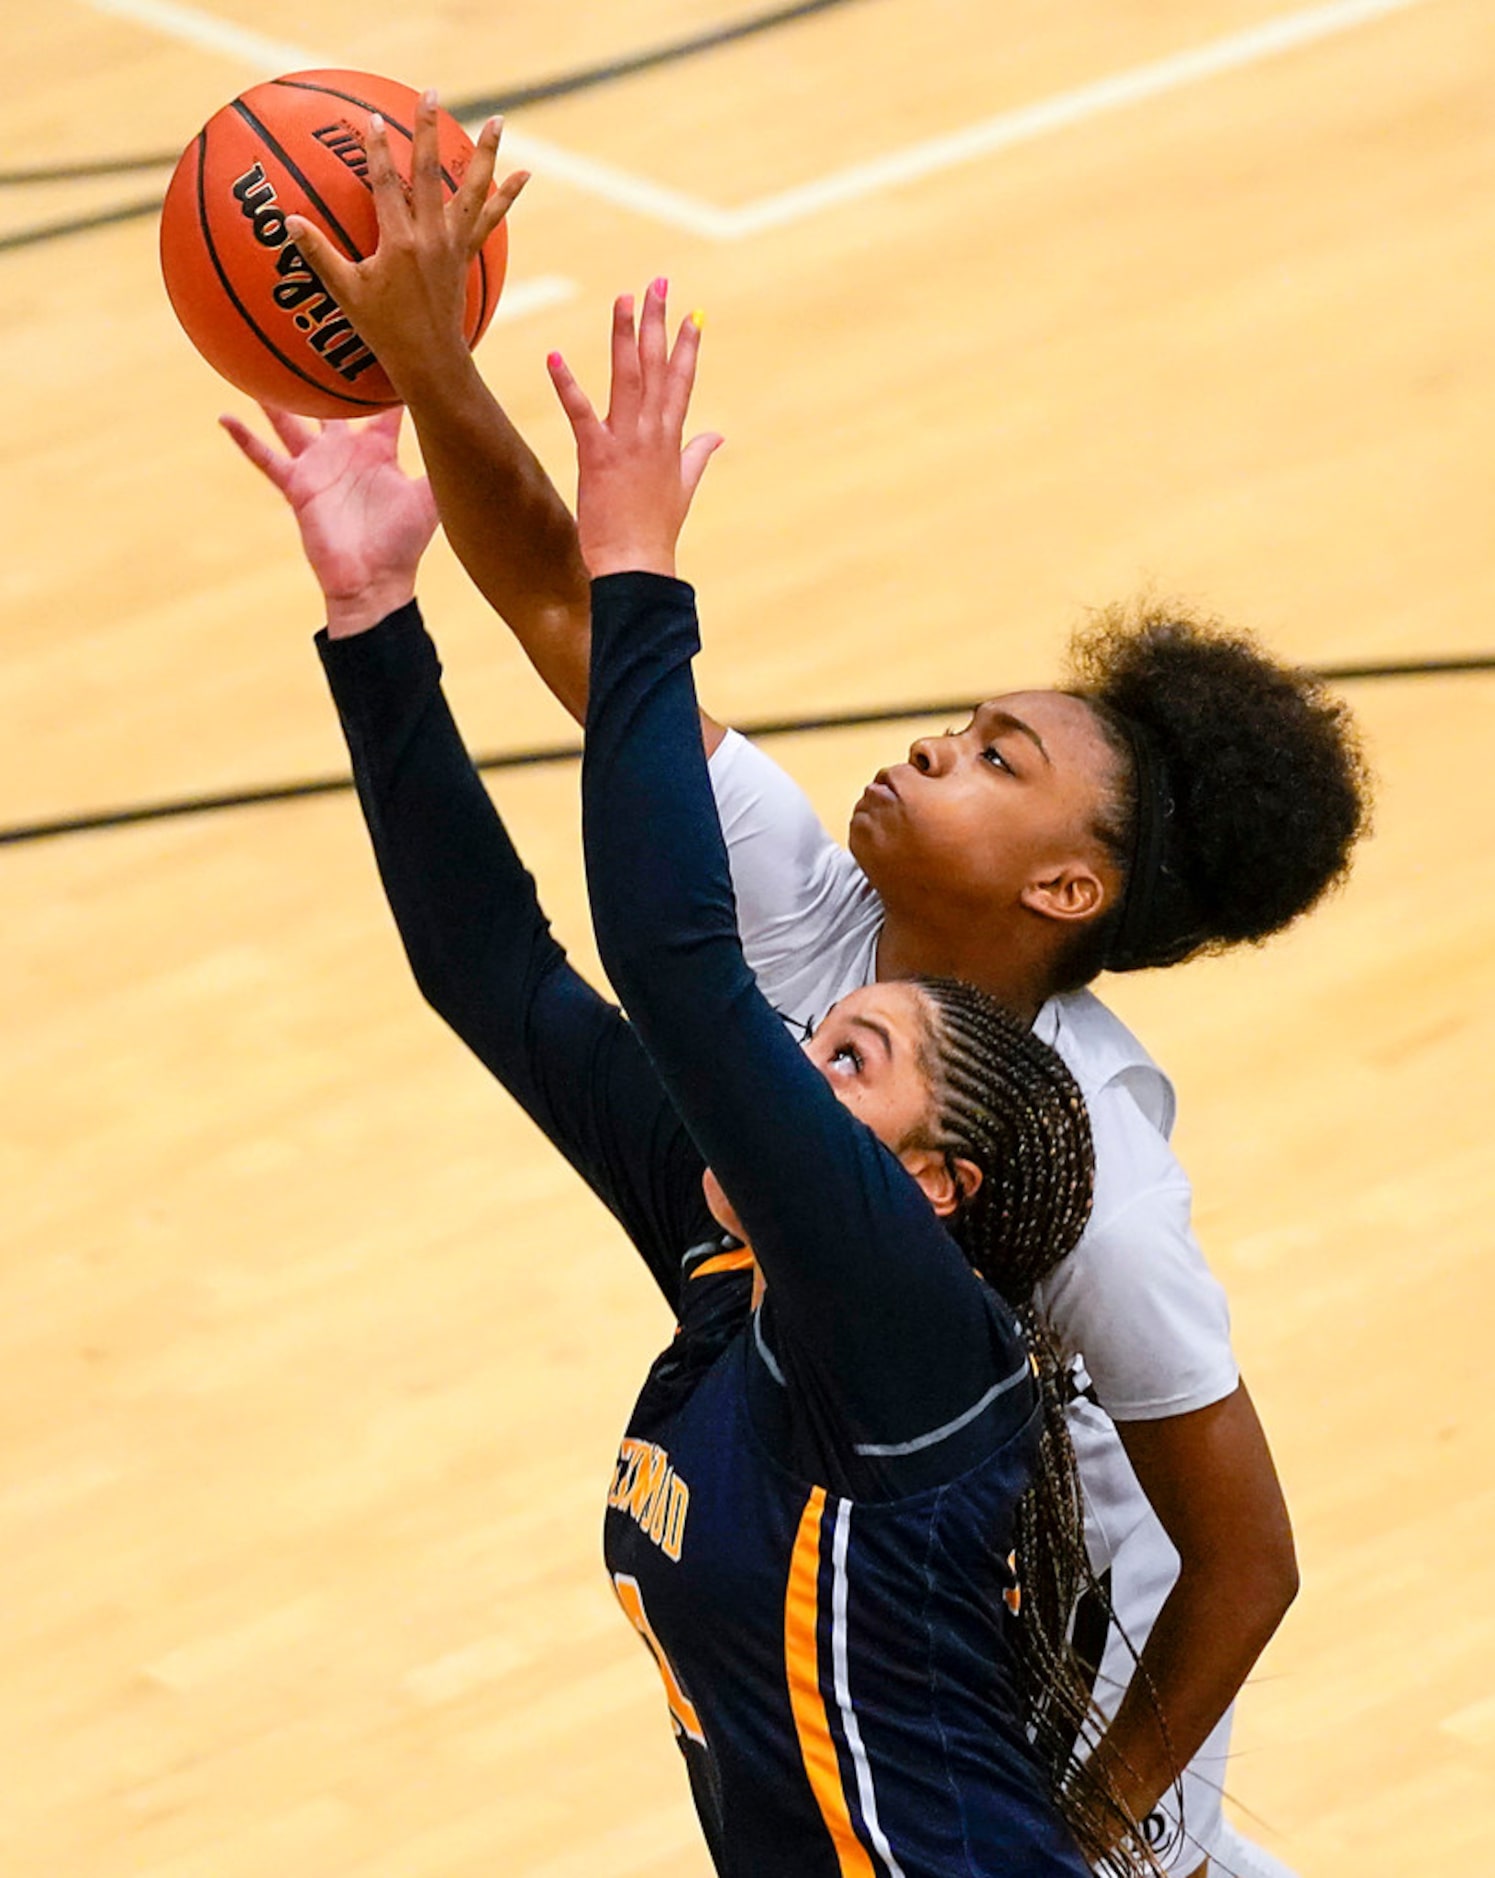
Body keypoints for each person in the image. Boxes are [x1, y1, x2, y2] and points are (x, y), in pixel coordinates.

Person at [242, 97, 1372, 1878]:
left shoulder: (1096, 1185)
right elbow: (561, 625)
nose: (938, 741)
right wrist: (429, 375)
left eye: (997, 757)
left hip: (1025, 1731)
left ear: (1063, 888)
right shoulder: (836, 920)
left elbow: (1247, 1556)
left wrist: (1090, 1826)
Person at [310, 292, 1168, 1877]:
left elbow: (674, 962)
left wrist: (641, 576)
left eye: (848, 1062)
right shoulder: (737, 1267)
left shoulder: (910, 1337)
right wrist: (372, 619)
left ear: (925, 1193)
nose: (787, 1073)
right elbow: (495, 974)